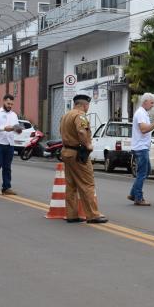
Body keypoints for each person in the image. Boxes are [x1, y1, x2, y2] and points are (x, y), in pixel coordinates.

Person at [60, 94, 107, 223]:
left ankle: (72, 215)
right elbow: (81, 131)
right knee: (87, 183)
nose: (88, 108)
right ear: (84, 105)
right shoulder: (80, 115)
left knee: (71, 185)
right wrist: (88, 144)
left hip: (67, 152)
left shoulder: (66, 116)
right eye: (88, 105)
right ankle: (93, 215)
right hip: (78, 153)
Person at [129, 92, 154, 206]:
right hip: (141, 147)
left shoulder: (143, 113)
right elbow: (144, 129)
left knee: (147, 170)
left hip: (142, 147)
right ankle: (138, 198)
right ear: (145, 102)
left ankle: (133, 193)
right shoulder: (140, 113)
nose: (153, 105)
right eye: (151, 102)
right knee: (142, 173)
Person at [0, 94, 22, 195]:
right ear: (3, 101)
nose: (10, 106)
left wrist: (18, 130)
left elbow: (15, 127)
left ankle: (6, 188)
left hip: (10, 144)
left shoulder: (14, 115)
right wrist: (4, 128)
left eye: (11, 104)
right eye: (8, 103)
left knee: (7, 167)